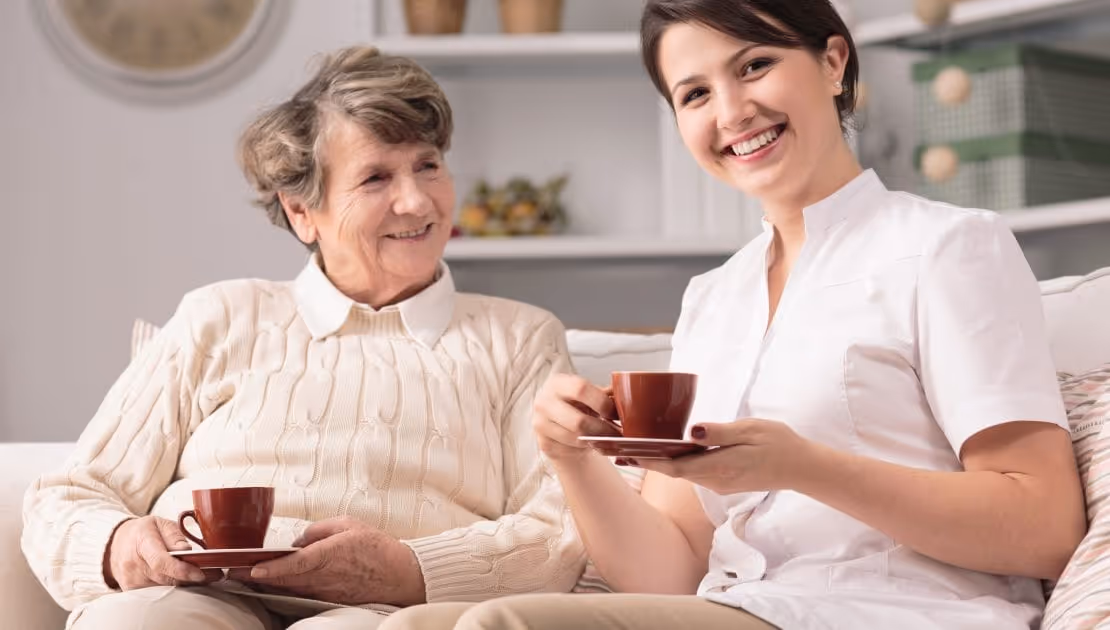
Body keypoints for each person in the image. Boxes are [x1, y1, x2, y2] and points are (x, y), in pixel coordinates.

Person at [380, 1, 1087, 629]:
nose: (731, 112)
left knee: (506, 624)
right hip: (733, 607)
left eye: (754, 65)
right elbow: (671, 570)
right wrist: (573, 459)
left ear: (833, 61)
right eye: (694, 94)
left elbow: (1044, 524)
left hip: (895, 611)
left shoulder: (948, 248)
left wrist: (805, 466)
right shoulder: (714, 297)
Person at [22, 46, 585, 630]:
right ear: (301, 212)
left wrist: (405, 568)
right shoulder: (220, 315)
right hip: (200, 598)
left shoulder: (519, 338)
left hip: (385, 611)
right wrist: (122, 546)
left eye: (428, 165)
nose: (417, 201)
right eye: (375, 177)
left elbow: (560, 531)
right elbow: (68, 497)